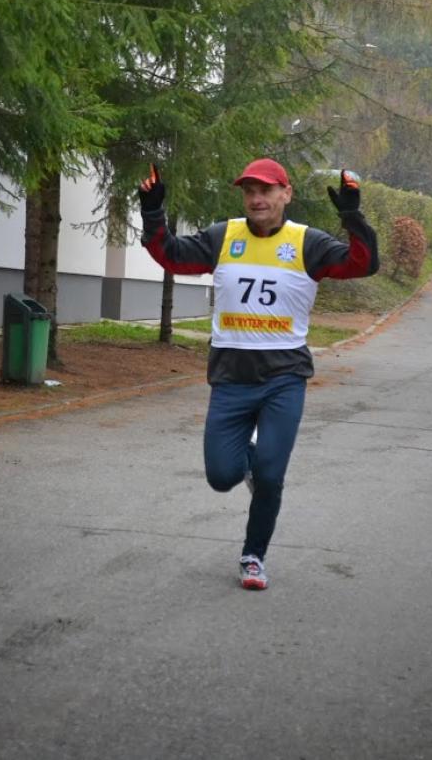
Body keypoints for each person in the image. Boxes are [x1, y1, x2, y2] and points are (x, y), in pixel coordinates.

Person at [138, 157, 379, 590]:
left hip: (284, 379)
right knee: (222, 476)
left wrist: (352, 216)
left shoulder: (306, 243)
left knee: (270, 474)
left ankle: (253, 556)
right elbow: (170, 255)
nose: (256, 198)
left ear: (286, 194)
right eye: (249, 191)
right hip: (231, 378)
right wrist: (152, 210)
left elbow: (362, 263)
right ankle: (250, 461)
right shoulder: (222, 236)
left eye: (266, 190)